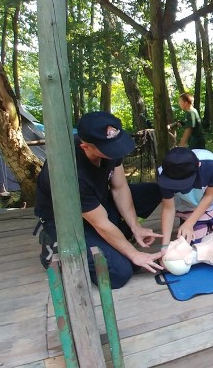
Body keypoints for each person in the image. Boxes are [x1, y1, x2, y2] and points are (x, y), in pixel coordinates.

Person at [33, 111, 164, 289]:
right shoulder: (69, 173)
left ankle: (120, 237)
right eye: (109, 150)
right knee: (120, 273)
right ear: (85, 146)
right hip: (68, 219)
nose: (116, 152)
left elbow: (119, 187)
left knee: (155, 191)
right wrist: (135, 254)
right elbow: (101, 224)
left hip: (97, 204)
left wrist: (136, 226)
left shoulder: (110, 147)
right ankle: (55, 242)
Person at [157, 147, 213, 248]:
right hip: (189, 207)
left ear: (198, 165)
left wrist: (189, 223)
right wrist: (165, 245)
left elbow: (209, 196)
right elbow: (169, 208)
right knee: (195, 244)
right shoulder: (163, 174)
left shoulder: (210, 162)